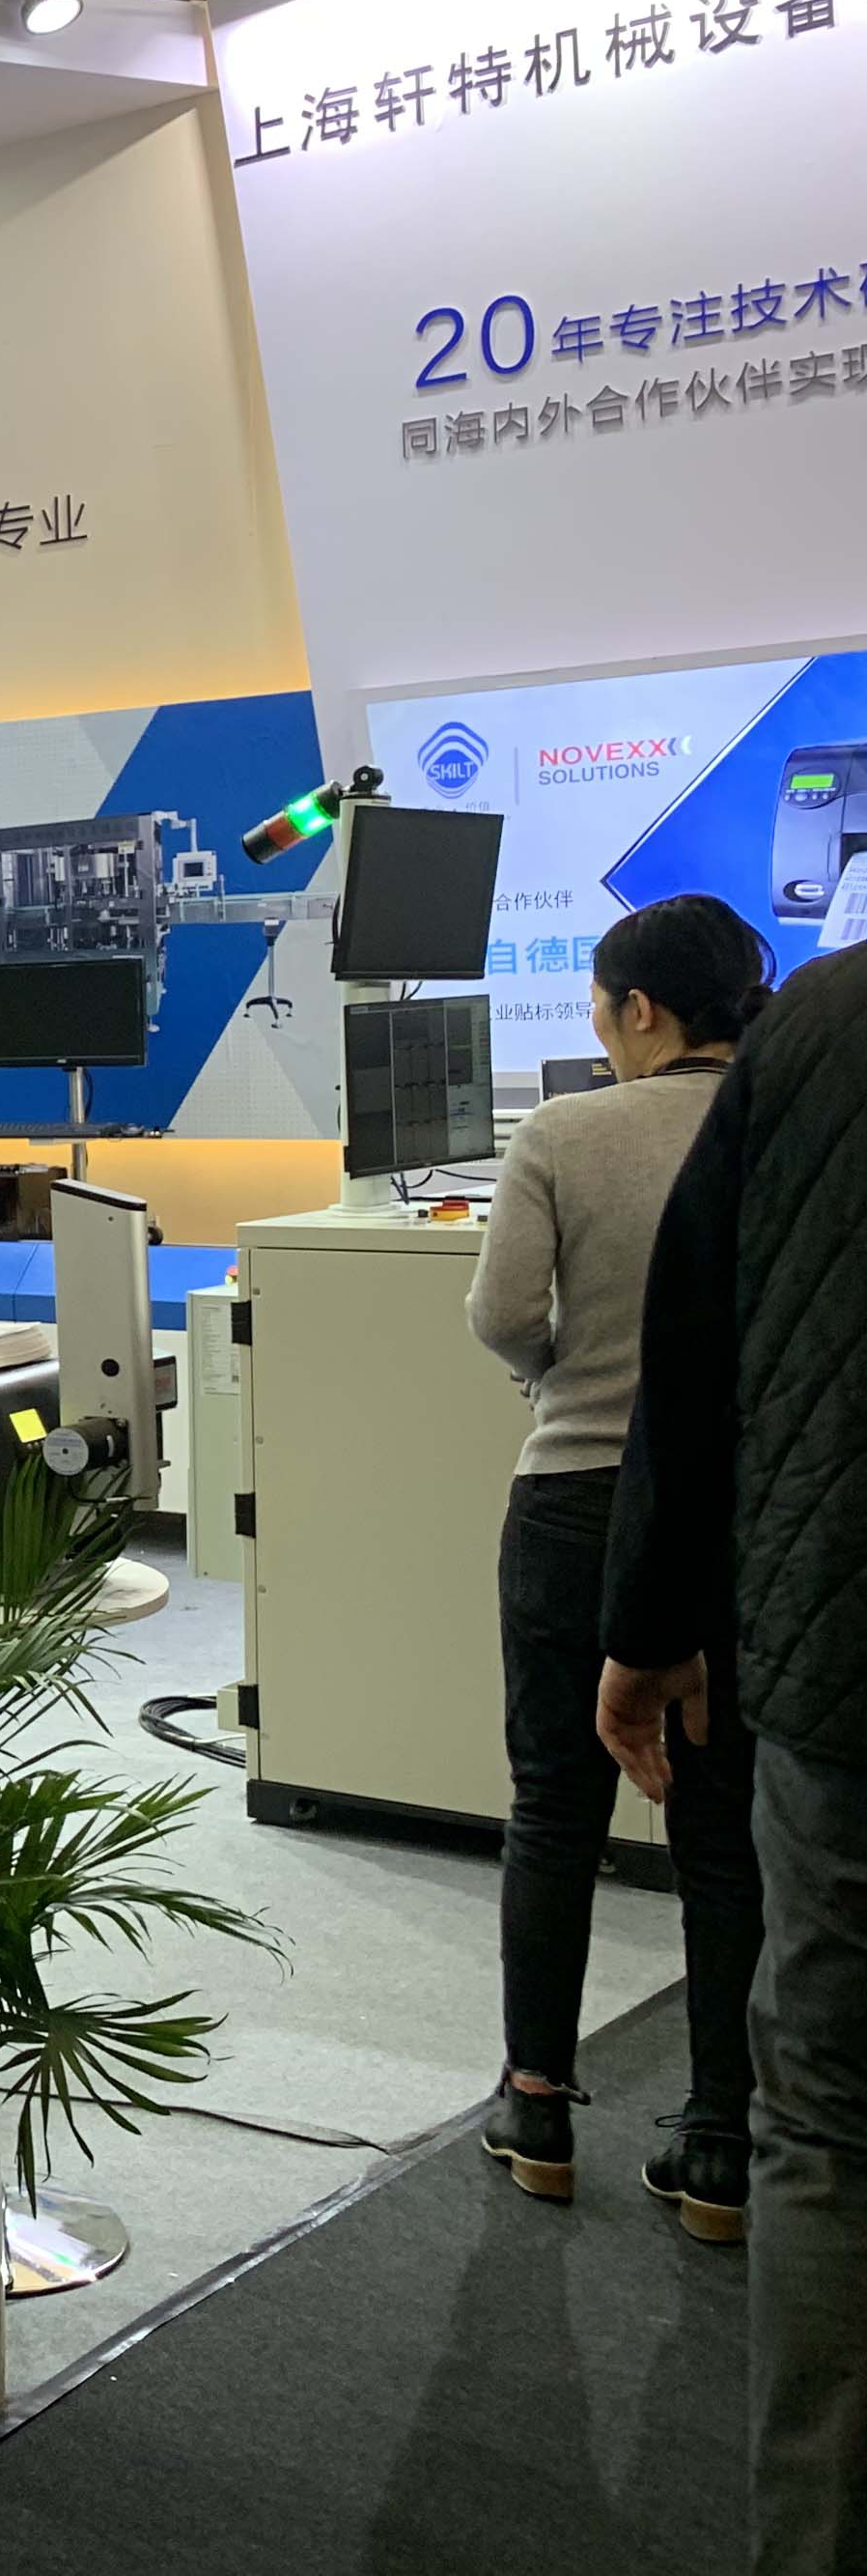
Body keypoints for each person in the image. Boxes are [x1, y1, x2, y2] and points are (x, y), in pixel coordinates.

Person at [597, 940, 867, 2571]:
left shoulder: (826, 1021)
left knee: (829, 2126)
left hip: (842, 1669)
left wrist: (651, 1625)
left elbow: (693, 1354)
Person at [463, 895, 772, 2225]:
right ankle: (718, 2143)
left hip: (577, 1501)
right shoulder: (786, 1122)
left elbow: (502, 1314)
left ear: (639, 1010)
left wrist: (567, 1377)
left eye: (600, 1007)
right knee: (721, 1830)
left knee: (553, 1809)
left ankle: (536, 2104)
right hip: (742, 1516)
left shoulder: (564, 1132)